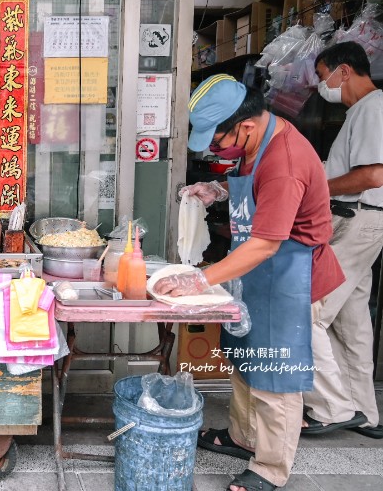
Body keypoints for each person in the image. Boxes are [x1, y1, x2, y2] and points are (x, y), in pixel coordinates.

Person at [153, 74, 344, 491]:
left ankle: (271, 468)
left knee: (275, 373)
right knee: (244, 360)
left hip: (287, 277)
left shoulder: (285, 162)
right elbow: (251, 192)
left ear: (247, 125)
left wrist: (197, 280)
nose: (217, 150)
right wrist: (218, 190)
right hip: (254, 275)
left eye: (219, 142)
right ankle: (243, 438)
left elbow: (265, 245)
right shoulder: (258, 145)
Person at [300, 41, 383, 440]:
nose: (321, 85)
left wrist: (319, 187)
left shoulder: (372, 108)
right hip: (362, 222)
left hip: (359, 221)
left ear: (344, 71)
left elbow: (372, 176)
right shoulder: (361, 112)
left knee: (307, 310)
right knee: (351, 322)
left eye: (322, 76)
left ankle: (331, 407)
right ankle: (365, 412)